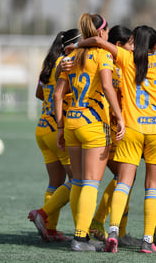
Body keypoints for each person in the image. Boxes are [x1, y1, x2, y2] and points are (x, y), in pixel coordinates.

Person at [71, 24, 156, 253]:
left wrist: (75, 45)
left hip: (132, 129)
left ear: (134, 41)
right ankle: (147, 240)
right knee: (153, 187)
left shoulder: (126, 58)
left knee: (123, 182)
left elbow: (96, 42)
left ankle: (113, 231)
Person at [54, 13, 125, 252]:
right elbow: (106, 86)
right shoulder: (103, 54)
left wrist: (61, 127)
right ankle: (80, 238)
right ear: (102, 33)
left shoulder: (71, 55)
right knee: (91, 184)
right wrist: (120, 116)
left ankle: (81, 234)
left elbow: (57, 94)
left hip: (72, 121)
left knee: (77, 181)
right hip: (93, 123)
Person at [87, 25, 141, 247]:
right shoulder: (115, 65)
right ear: (119, 46)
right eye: (130, 44)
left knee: (123, 178)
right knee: (123, 178)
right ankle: (99, 223)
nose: (133, 48)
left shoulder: (111, 63)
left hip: (108, 128)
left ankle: (114, 228)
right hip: (110, 130)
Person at [28, 28, 80, 242]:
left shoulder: (49, 62)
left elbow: (40, 93)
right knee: (78, 180)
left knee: (55, 182)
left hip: (42, 127)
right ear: (72, 45)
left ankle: (49, 228)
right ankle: (44, 214)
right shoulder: (67, 63)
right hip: (57, 128)